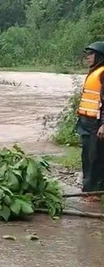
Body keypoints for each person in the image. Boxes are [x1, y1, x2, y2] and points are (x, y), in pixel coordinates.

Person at [76, 41, 104, 201]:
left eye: (91, 54)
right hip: (86, 121)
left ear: (99, 56)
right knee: (86, 156)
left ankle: (94, 192)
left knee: (96, 158)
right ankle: (87, 189)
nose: (88, 57)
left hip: (97, 124)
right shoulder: (93, 72)